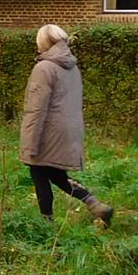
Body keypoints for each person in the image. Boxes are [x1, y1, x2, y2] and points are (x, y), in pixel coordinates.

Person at [21, 24, 114, 225]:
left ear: (44, 42)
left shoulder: (44, 67)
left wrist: (30, 144)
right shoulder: (72, 67)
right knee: (56, 174)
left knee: (38, 172)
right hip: (70, 129)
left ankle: (47, 222)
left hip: (48, 130)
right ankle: (95, 204)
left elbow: (37, 109)